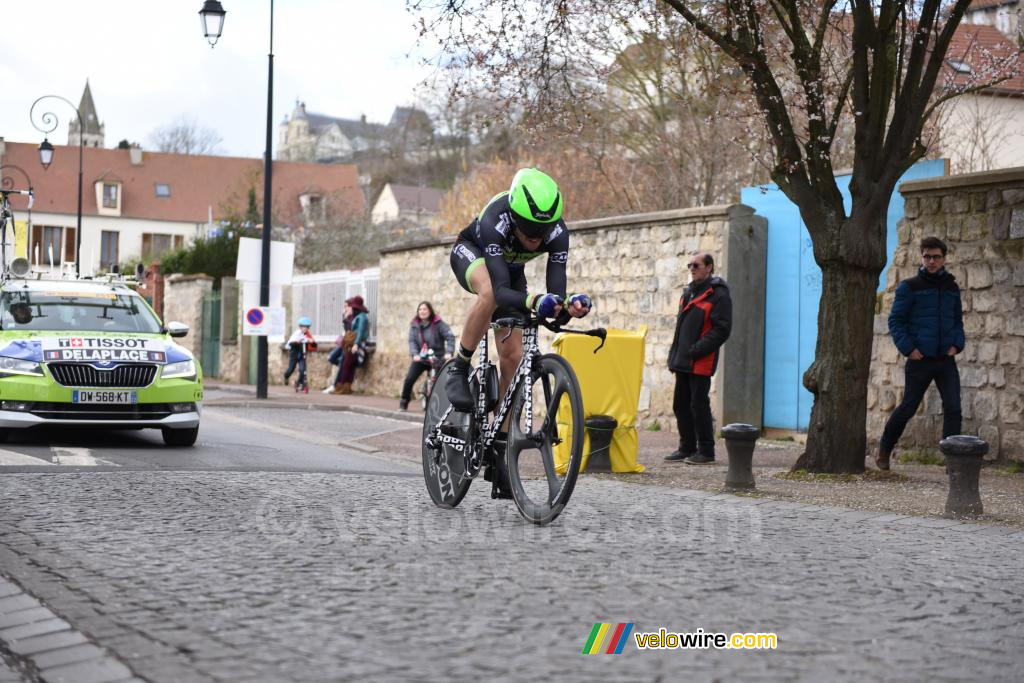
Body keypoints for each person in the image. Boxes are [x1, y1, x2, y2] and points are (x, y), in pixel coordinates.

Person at [446, 167, 592, 497]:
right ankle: (459, 365)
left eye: (543, 230)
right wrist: (534, 300)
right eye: (529, 229)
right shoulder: (494, 221)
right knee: (489, 295)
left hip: (511, 271)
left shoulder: (558, 233)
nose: (536, 238)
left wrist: (566, 306)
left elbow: (555, 291)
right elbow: (500, 290)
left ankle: (500, 448)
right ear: (514, 215)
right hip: (474, 254)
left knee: (513, 358)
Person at [877, 236, 964, 470]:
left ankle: (953, 463)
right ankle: (884, 450)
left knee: (954, 408)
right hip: (920, 360)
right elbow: (896, 321)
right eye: (927, 256)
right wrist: (909, 349)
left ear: (944, 259)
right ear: (922, 257)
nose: (932, 261)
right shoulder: (909, 287)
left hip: (945, 360)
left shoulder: (951, 287)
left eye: (936, 257)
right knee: (908, 407)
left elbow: (958, 321)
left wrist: (957, 344)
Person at [666, 253, 732, 465]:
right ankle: (686, 447)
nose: (692, 269)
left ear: (709, 267)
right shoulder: (689, 292)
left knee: (698, 405)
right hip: (683, 359)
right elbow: (680, 329)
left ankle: (706, 451)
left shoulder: (718, 294)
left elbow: (722, 329)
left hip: (701, 359)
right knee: (680, 405)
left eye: (696, 265)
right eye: (690, 265)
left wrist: (697, 349)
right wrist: (674, 355)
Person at [399, 301, 455, 411]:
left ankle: (441, 405)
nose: (422, 311)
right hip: (421, 358)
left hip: (437, 358)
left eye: (425, 309)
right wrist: (415, 354)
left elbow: (450, 337)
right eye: (420, 309)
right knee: (409, 379)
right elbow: (412, 341)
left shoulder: (438, 323)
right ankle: (404, 401)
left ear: (430, 311)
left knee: (440, 382)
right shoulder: (414, 325)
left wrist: (449, 352)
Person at [332, 296, 370, 395]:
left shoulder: (362, 317)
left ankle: (343, 386)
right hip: (352, 342)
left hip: (355, 343)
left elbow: (360, 332)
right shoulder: (359, 316)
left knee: (347, 365)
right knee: (349, 365)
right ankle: (345, 387)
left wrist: (356, 344)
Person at [284, 317, 318, 392]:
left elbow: (314, 345)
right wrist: (297, 342)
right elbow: (290, 343)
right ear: (300, 327)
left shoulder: (307, 335)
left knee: (303, 370)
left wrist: (312, 342)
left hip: (302, 355)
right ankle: (286, 376)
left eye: (307, 327)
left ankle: (300, 382)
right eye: (304, 327)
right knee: (291, 369)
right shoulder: (296, 334)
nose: (305, 329)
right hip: (294, 355)